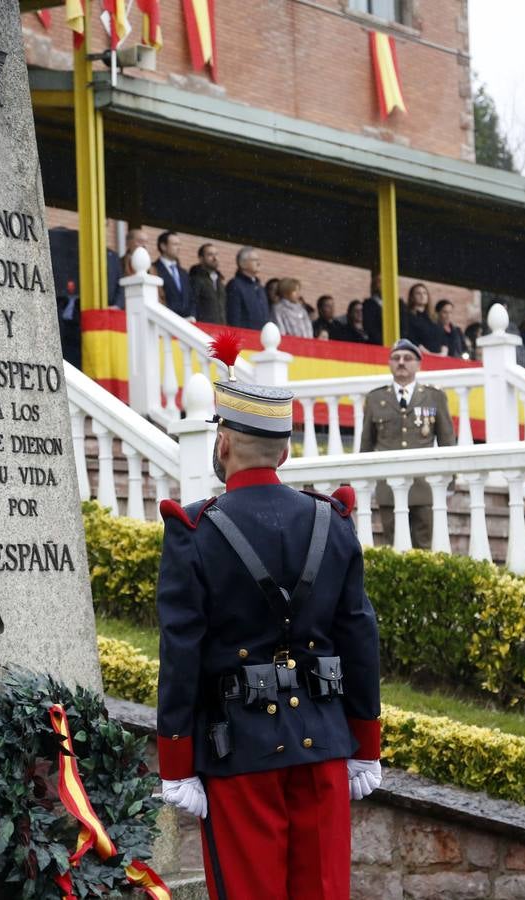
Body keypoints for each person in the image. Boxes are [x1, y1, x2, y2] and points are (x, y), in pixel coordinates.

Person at [155, 357, 382, 900]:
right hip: (325, 745)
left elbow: (180, 651)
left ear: (224, 444)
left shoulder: (193, 531)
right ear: (283, 452)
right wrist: (365, 745)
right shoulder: (333, 518)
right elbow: (359, 636)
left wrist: (176, 762)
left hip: (239, 753)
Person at [360, 340, 454, 549]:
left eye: (408, 358)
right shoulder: (376, 398)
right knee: (394, 546)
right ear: (389, 363)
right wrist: (366, 482)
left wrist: (450, 484)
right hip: (388, 485)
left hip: (423, 486)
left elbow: (448, 441)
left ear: (419, 365)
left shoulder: (434, 396)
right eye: (396, 358)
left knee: (425, 547)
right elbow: (366, 444)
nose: (401, 363)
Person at [226, 247, 269, 330]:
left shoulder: (260, 287)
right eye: (254, 260)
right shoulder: (235, 285)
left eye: (258, 260)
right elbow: (234, 317)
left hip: (261, 337)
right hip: (245, 337)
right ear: (243, 264)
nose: (258, 263)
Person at [153, 231, 193, 320]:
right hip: (166, 321)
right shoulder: (153, 270)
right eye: (175, 244)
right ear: (163, 246)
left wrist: (192, 316)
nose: (179, 248)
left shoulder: (183, 273)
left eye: (179, 244)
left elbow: (191, 298)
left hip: (187, 323)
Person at [189, 243, 228, 325]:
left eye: (216, 254)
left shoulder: (219, 281)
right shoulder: (196, 279)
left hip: (221, 329)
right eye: (210, 255)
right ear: (201, 258)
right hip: (203, 329)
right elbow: (192, 304)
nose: (215, 258)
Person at [400, 283, 437, 353]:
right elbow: (409, 336)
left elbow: (441, 337)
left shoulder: (433, 319)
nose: (422, 296)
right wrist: (425, 351)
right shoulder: (407, 316)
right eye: (418, 293)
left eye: (424, 293)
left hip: (437, 355)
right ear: (412, 297)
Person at [362, 273, 384, 346]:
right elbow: (370, 328)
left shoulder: (397, 304)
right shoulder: (368, 304)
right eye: (380, 281)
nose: (383, 284)